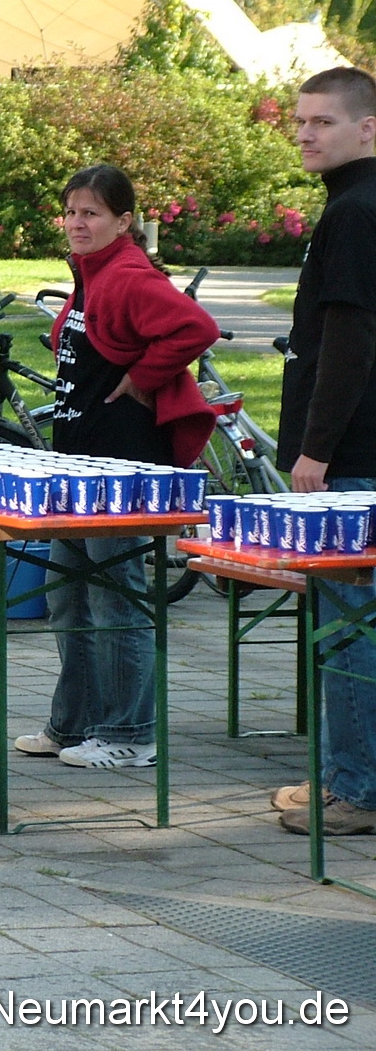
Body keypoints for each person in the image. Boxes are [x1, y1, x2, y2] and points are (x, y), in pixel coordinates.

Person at [16, 164, 217, 770]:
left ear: (123, 221)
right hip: (81, 464)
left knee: (115, 600)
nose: (78, 223)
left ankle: (130, 734)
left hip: (122, 469)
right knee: (68, 598)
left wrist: (141, 379)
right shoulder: (92, 272)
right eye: (72, 212)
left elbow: (195, 327)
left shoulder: (127, 273)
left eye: (92, 214)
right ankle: (73, 725)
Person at [272, 66, 376, 836]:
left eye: (322, 122)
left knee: (348, 627)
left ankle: (353, 789)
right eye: (299, 121)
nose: (305, 132)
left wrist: (314, 451)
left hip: (351, 456)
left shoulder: (353, 213)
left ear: (366, 128)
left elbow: (348, 342)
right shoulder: (351, 206)